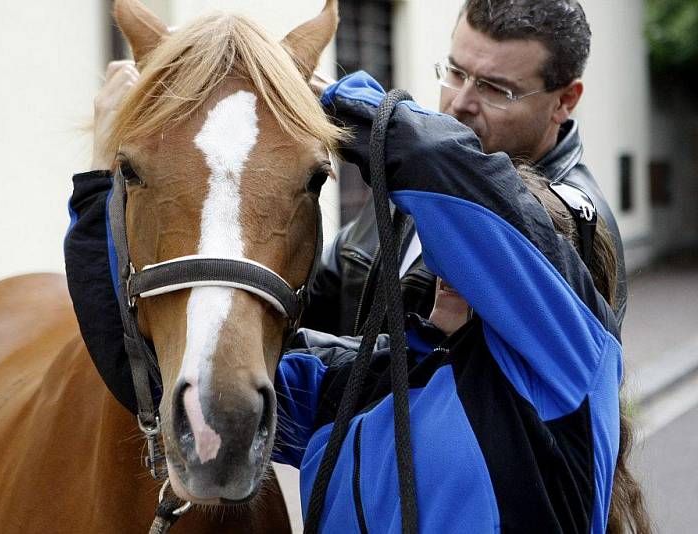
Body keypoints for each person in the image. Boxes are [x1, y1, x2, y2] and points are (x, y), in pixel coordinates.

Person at [273, 73, 650, 533]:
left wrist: (342, 104)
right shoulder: (354, 384)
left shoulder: (565, 372)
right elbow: (204, 376)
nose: (447, 267)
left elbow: (441, 166)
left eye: (479, 262)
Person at [302, 0, 628, 337]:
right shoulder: (420, 172)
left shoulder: (575, 226)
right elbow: (326, 290)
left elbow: (468, 382)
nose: (459, 104)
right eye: (456, 73)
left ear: (565, 101)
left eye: (495, 89)